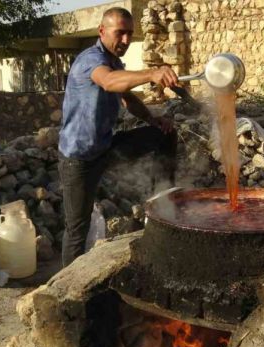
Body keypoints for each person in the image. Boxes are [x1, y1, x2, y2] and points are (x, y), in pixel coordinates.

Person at [58, 7, 179, 267]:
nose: (125, 40)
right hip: (78, 160)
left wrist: (153, 119)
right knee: (77, 229)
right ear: (102, 31)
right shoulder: (90, 60)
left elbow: (127, 98)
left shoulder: (115, 61)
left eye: (129, 34)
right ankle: (64, 291)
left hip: (106, 148)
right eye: (119, 33)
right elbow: (110, 82)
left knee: (164, 134)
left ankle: (164, 202)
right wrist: (151, 73)